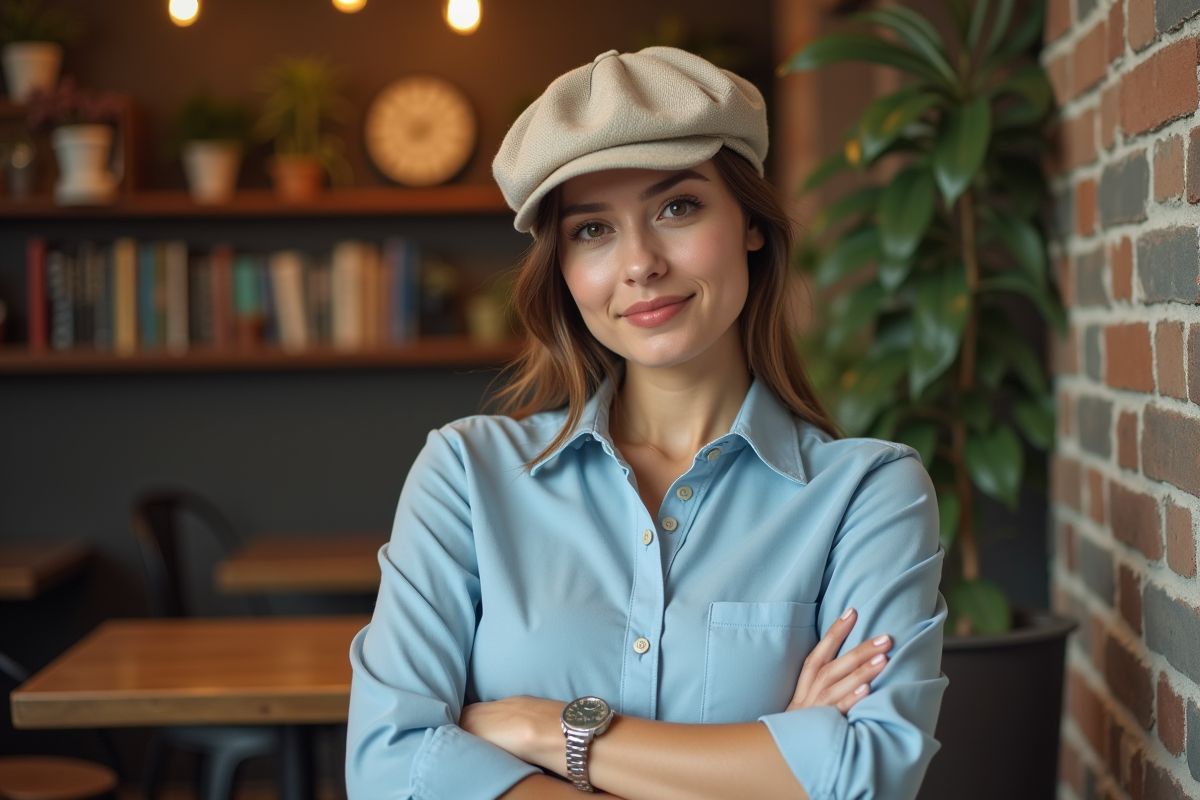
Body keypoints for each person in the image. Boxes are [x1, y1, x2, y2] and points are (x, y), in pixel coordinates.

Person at [346, 47, 947, 800]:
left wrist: (543, 729)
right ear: (561, 268)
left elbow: (870, 776)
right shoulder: (466, 475)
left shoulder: (868, 493)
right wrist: (771, 765)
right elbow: (387, 767)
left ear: (750, 224)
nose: (639, 264)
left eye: (677, 208)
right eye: (592, 230)